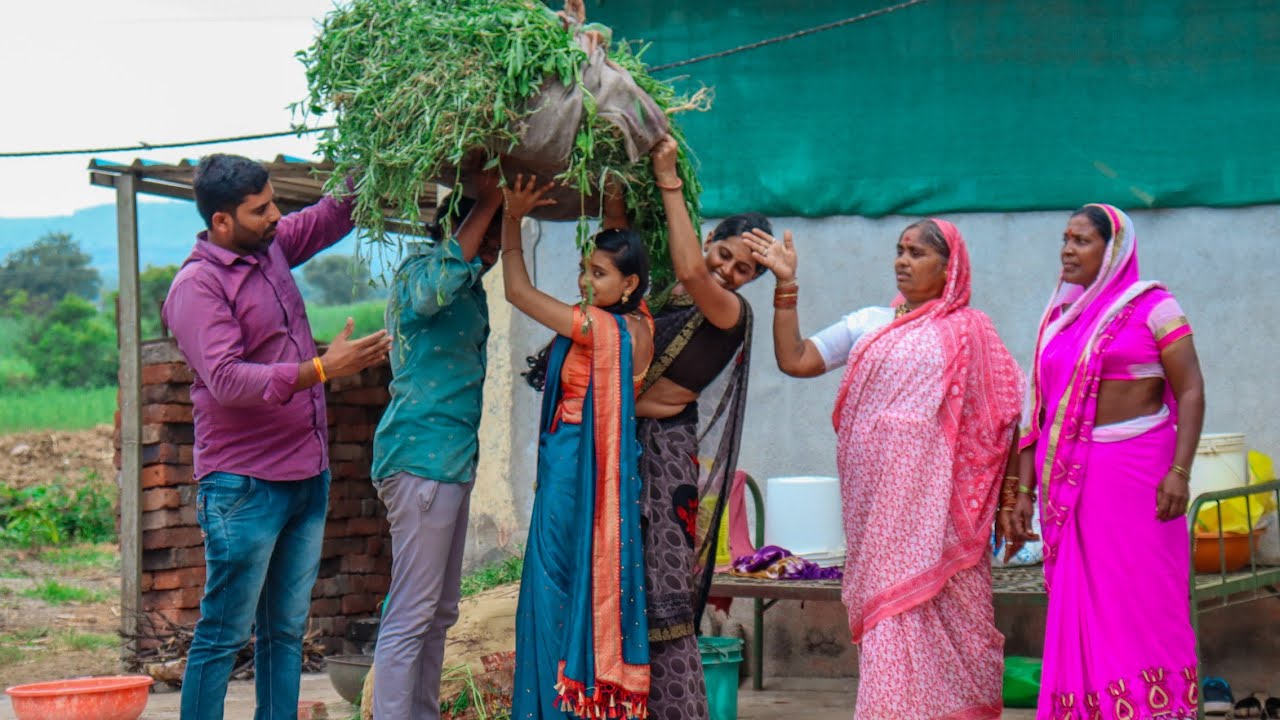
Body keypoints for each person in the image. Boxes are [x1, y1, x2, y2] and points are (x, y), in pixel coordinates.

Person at [746, 219, 1023, 720]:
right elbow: (797, 358)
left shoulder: (972, 332)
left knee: (956, 627)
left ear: (949, 267)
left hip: (945, 521)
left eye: (917, 253)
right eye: (899, 250)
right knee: (890, 617)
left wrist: (1008, 501)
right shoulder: (873, 323)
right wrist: (786, 286)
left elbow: (1001, 419)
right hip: (879, 516)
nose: (902, 261)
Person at [163, 154, 391, 720]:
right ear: (221, 221)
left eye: (273, 203)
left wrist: (372, 145)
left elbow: (333, 213)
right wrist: (321, 369)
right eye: (261, 208)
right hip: (243, 486)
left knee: (286, 633)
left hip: (305, 476)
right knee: (223, 634)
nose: (276, 215)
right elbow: (228, 379)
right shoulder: (198, 286)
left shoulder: (270, 248)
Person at [1000, 204, 1204, 720]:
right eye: (1065, 240)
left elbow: (1192, 388)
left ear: (1112, 251)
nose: (1067, 250)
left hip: (1139, 477)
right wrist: (1021, 494)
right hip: (1073, 482)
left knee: (1143, 601)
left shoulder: (1154, 306)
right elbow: (1039, 412)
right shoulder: (1059, 316)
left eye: (1082, 241)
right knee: (1083, 605)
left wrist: (1180, 472)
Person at [503, 174, 655, 720]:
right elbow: (619, 238)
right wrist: (612, 185)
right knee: (576, 588)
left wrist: (512, 217)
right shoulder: (640, 325)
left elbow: (516, 292)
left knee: (552, 589)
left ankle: (553, 708)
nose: (586, 283)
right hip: (592, 470)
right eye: (584, 270)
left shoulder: (596, 327)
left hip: (574, 472)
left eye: (598, 273)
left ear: (630, 282)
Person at [640, 135, 774, 720]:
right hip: (628, 445)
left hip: (665, 458)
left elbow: (692, 267)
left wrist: (668, 177)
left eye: (745, 269)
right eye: (725, 254)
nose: (729, 270)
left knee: (663, 595)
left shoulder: (729, 310)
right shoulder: (668, 294)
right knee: (622, 582)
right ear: (713, 235)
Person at [368, 173, 504, 719]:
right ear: (461, 227)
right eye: (487, 235)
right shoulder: (420, 274)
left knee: (440, 611)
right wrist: (491, 198)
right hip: (422, 461)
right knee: (411, 613)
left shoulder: (468, 285)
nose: (492, 250)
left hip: (449, 462)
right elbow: (432, 292)